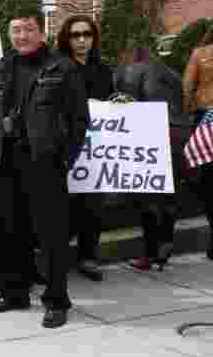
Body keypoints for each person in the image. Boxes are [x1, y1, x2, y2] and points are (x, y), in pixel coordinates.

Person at [0, 8, 89, 329]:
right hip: (4, 162)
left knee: (51, 235)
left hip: (44, 164)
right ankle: (12, 293)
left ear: (41, 32)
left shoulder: (62, 68)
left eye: (28, 29)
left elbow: (79, 121)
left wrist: (63, 160)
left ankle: (56, 301)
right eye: (16, 29)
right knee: (6, 233)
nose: (21, 36)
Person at [116, 47, 191, 271]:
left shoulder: (131, 71)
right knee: (168, 193)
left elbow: (128, 104)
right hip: (179, 134)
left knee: (147, 196)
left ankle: (150, 253)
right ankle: (165, 243)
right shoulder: (172, 73)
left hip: (151, 133)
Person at [55, 14, 113, 282]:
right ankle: (56, 257)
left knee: (93, 205)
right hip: (64, 146)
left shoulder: (103, 70)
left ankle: (88, 256)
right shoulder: (56, 67)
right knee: (63, 205)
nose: (81, 40)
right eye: (75, 35)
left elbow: (109, 102)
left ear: (94, 38)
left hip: (95, 148)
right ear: (66, 39)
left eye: (86, 34)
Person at [183, 26, 213, 259]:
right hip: (206, 117)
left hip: (206, 117)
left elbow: (187, 87)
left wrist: (187, 112)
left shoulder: (200, 53)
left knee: (208, 179)